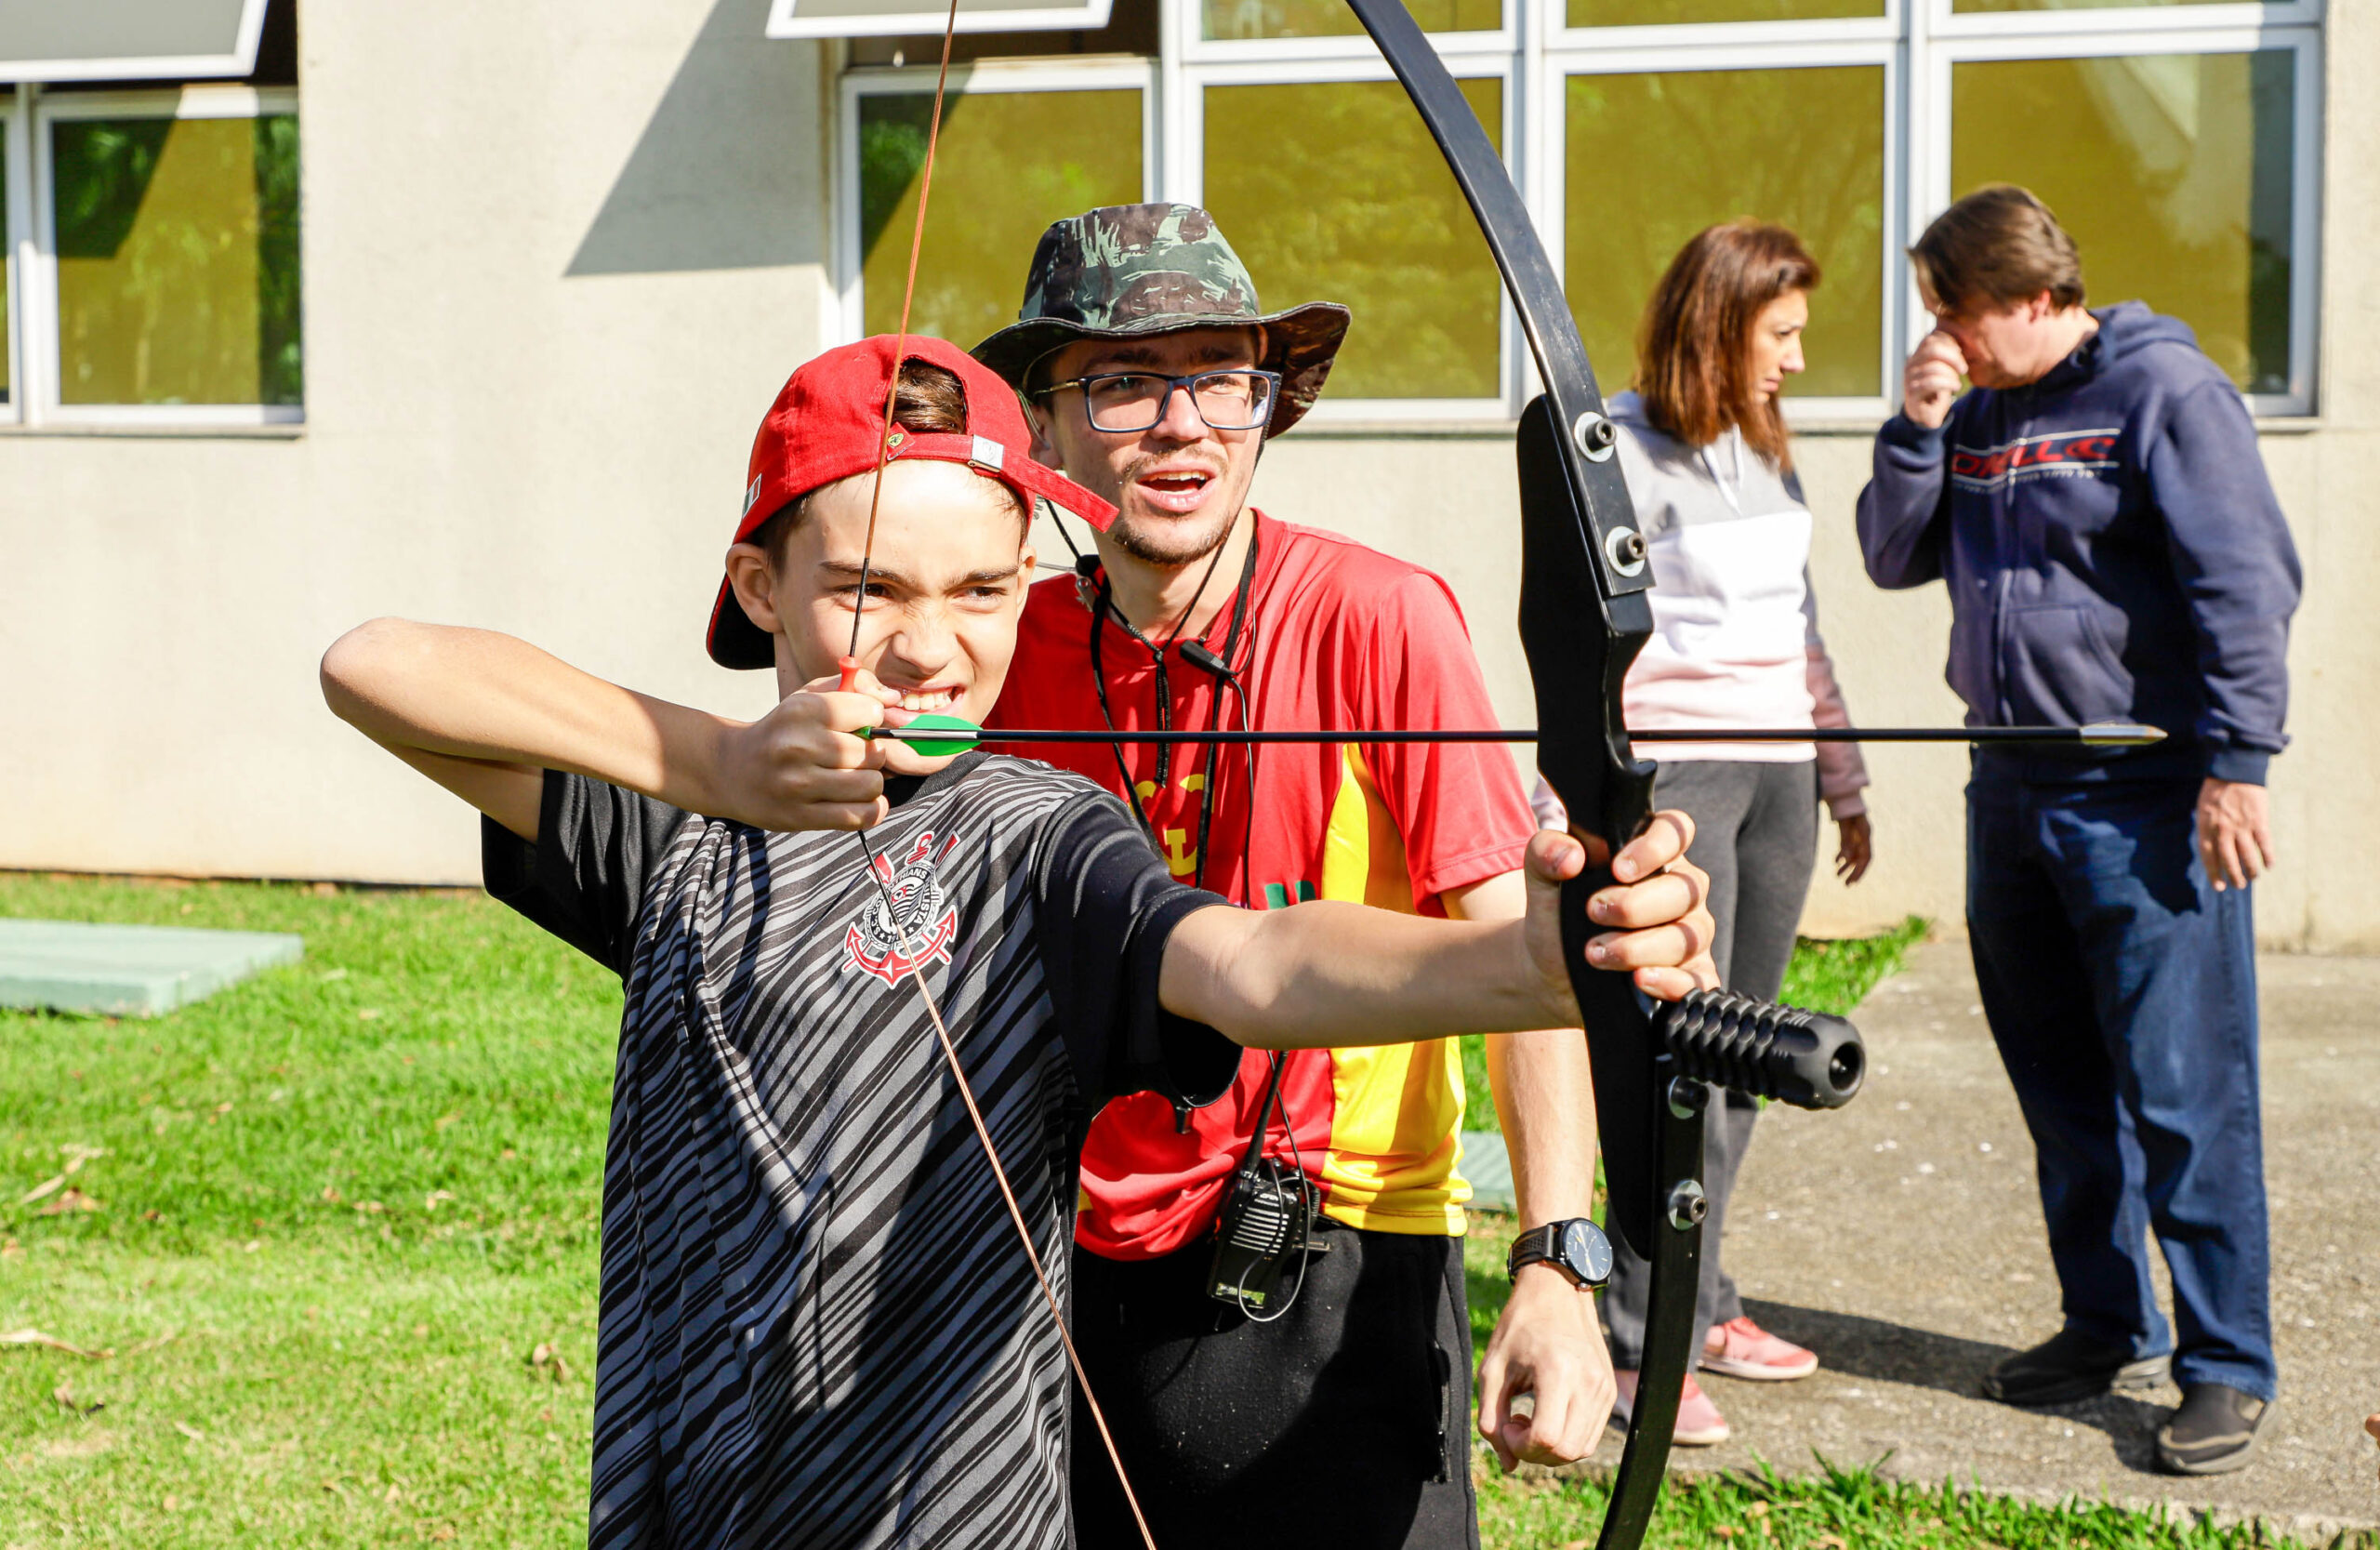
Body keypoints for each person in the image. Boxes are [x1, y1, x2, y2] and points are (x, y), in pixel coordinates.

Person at [318, 335, 1717, 1550]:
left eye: (983, 592)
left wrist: (1522, 969)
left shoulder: (1037, 833)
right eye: (870, 587)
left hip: (954, 1508)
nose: (932, 648)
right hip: (696, 1496)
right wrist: (721, 766)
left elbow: (1253, 966)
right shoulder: (681, 833)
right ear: (757, 584)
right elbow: (375, 668)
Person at [969, 203, 1616, 1548]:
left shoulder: (1380, 615)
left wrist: (1558, 1260)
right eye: (1124, 382)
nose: (1183, 425)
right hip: (1056, 1248)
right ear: (1046, 427)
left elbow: (1526, 963)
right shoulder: (1001, 645)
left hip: (1340, 1249)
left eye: (1222, 378)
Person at [1859, 186, 2300, 1477]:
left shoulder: (2167, 395)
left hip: (2142, 794)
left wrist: (2237, 769)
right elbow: (1892, 554)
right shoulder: (1976, 411)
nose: (1942, 335)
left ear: (2040, 297)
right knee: (2059, 1088)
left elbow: (2245, 584)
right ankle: (2107, 1324)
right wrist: (1917, 427)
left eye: (1958, 311)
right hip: (2007, 788)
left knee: (2184, 1093)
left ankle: (2227, 1366)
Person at [1530, 220, 1872, 1447]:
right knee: (1674, 1059)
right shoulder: (1616, 449)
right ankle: (1642, 1346)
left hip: (1780, 777)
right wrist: (1568, 796)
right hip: (1681, 780)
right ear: (1720, 326)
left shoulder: (1765, 448)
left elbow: (1801, 624)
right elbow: (1575, 638)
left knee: (1746, 1058)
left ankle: (1703, 1302)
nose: (1796, 359)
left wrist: (1843, 775)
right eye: (1781, 334)